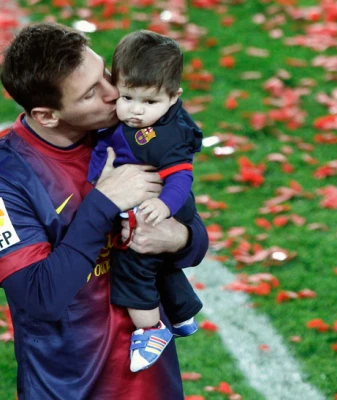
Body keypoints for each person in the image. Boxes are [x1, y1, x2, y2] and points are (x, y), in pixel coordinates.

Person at [0, 22, 208, 399]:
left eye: (105, 74)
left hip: (154, 382)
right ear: (47, 115)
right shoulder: (8, 177)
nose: (116, 94)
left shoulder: (127, 130)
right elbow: (40, 297)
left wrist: (179, 237)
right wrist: (102, 204)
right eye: (91, 93)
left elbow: (194, 240)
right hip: (70, 388)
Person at [87, 30, 204, 372]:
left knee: (133, 263)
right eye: (127, 97)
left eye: (149, 102)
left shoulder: (168, 135)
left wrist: (165, 206)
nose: (135, 111)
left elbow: (182, 177)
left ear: (173, 97)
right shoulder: (127, 121)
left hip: (163, 202)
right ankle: (182, 313)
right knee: (161, 265)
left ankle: (151, 329)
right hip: (140, 196)